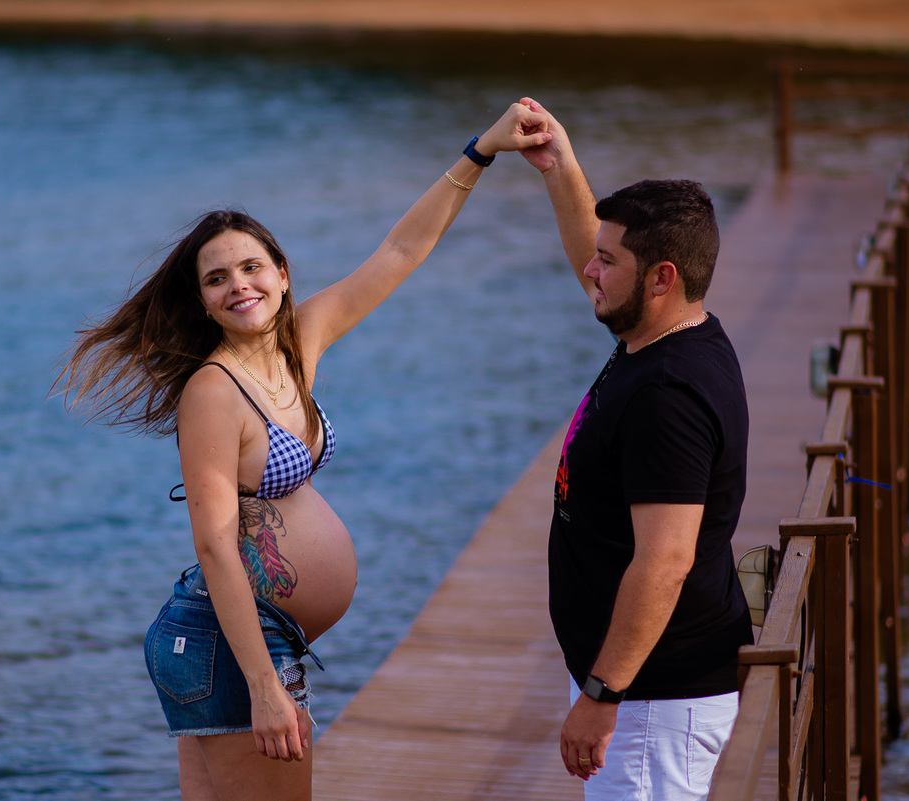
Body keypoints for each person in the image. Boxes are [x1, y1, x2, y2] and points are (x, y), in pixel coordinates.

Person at [56, 103, 550, 801]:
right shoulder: (212, 391)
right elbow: (217, 545)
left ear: (283, 274)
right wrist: (263, 684)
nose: (239, 285)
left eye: (251, 266)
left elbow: (400, 253)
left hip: (239, 641)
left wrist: (481, 152)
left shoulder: (298, 346)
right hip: (233, 645)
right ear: (202, 301)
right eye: (217, 278)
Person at [514, 98, 754, 801]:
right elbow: (591, 256)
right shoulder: (664, 337)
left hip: (653, 700)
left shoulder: (667, 394)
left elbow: (666, 559)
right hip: (644, 685)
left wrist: (601, 691)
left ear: (662, 277)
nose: (591, 269)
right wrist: (559, 163)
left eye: (609, 260)